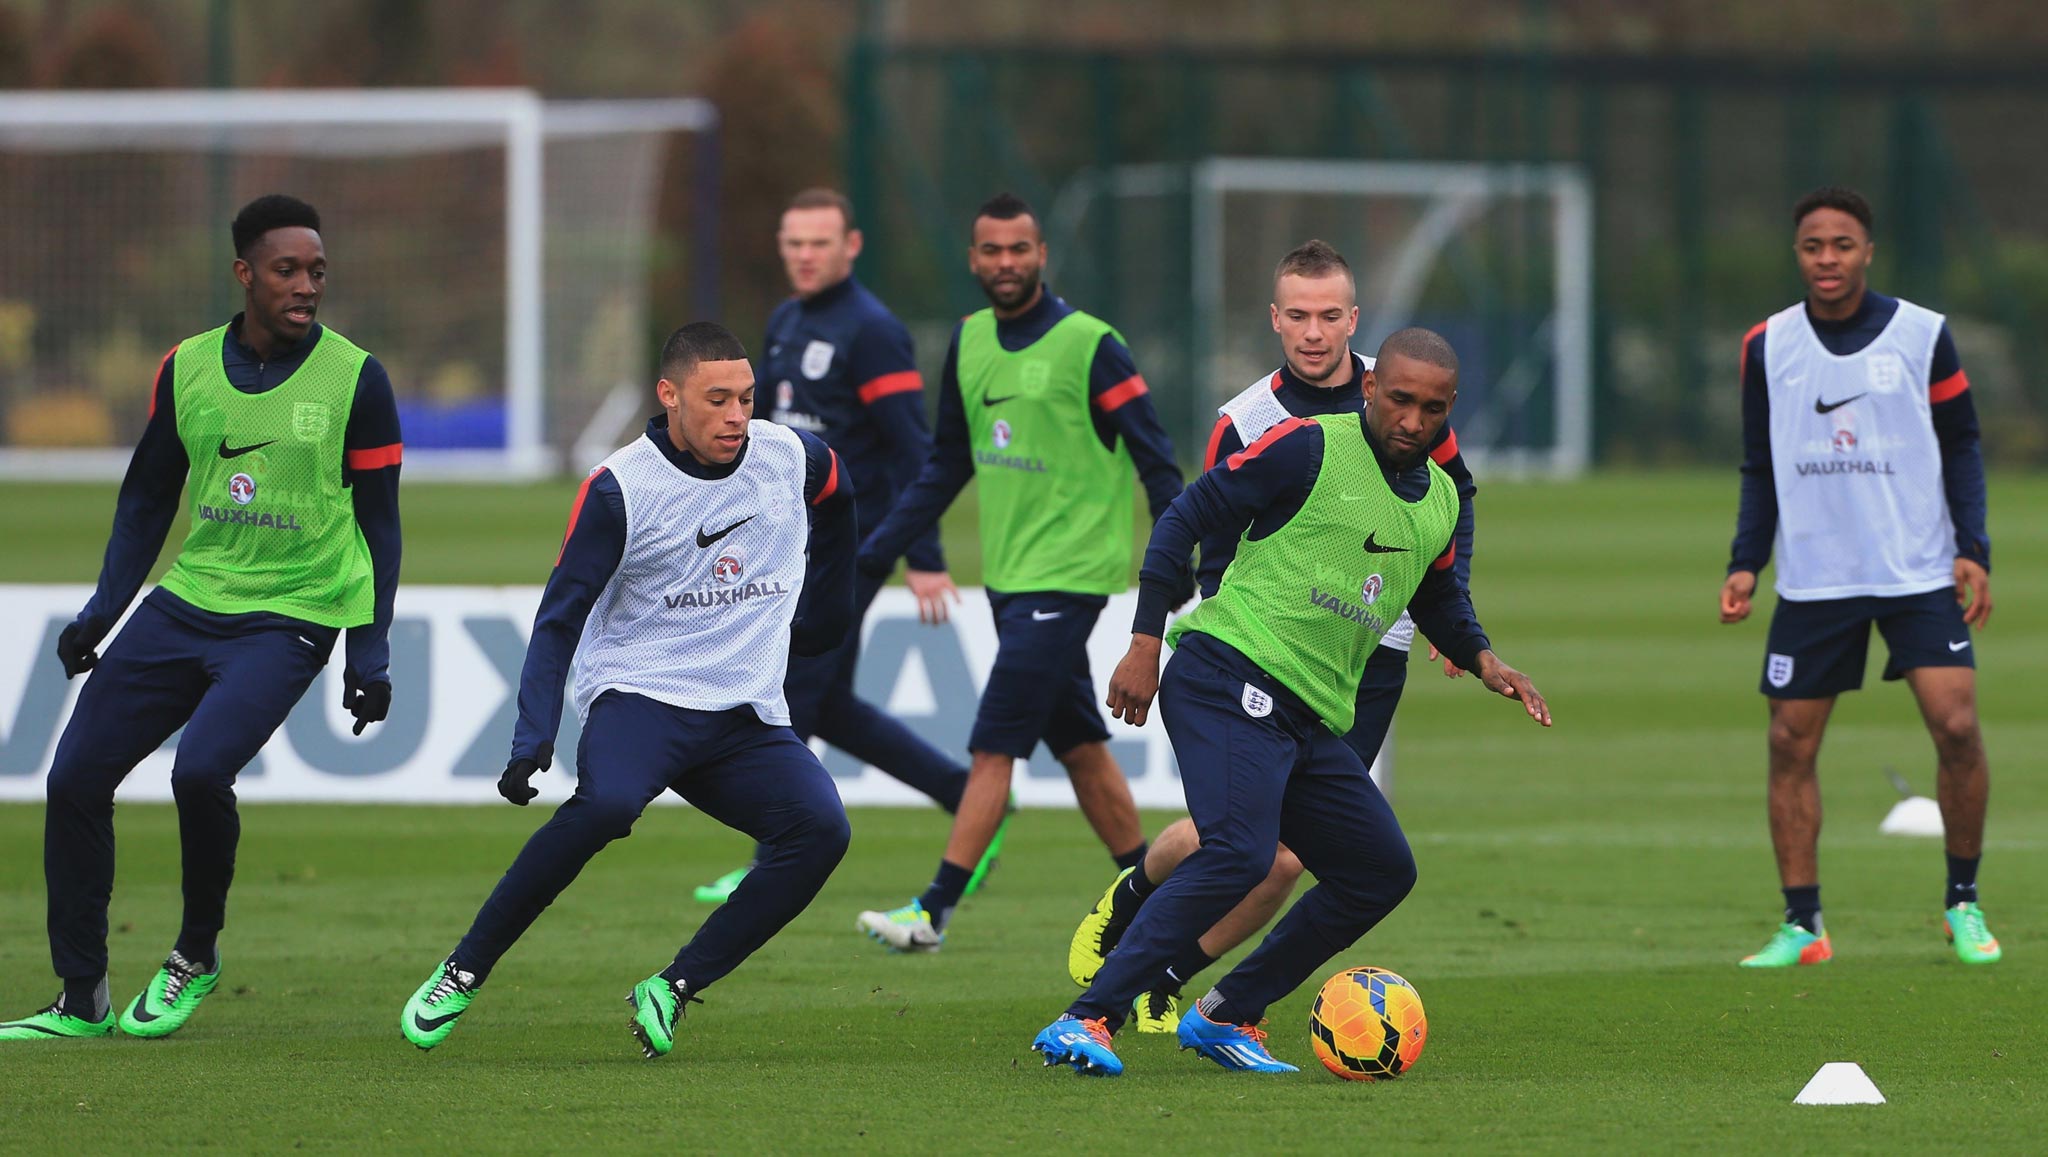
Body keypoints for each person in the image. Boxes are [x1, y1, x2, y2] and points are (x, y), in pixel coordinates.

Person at [1031, 327, 1551, 1077]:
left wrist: (1482, 656)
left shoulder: (1439, 499)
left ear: (1449, 410)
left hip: (1303, 717)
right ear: (1370, 388)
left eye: (1431, 408)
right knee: (1241, 851)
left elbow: (1437, 594)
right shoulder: (1305, 445)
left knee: (1379, 868)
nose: (1412, 419)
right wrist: (1145, 640)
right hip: (1223, 674)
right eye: (1399, 399)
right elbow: (1185, 516)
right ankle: (1087, 1017)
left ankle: (1226, 1011)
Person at [0, 194, 401, 1044]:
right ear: (244, 273)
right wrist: (103, 610)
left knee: (199, 771)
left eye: (317, 271)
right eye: (288, 269)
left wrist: (369, 649)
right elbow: (148, 497)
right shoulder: (185, 367)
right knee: (72, 779)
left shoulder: (357, 378)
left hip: (294, 610)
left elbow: (382, 521)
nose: (306, 286)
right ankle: (80, 997)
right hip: (189, 600)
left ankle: (194, 954)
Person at [399, 323, 858, 1059]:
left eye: (745, 397)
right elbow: (559, 617)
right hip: (641, 696)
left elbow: (840, 491)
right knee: (607, 804)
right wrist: (531, 735)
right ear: (670, 396)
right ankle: (463, 969)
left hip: (743, 714)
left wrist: (832, 609)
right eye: (717, 400)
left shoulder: (788, 455)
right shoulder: (621, 489)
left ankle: (673, 986)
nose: (737, 416)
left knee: (821, 829)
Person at [1065, 240, 1480, 1034]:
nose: (1315, 331)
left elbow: (1449, 503)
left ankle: (1183, 984)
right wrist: (1216, 643)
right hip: (1261, 659)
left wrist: (1456, 623)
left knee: (1297, 851)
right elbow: (1215, 540)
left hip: (1368, 657)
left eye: (1330, 316)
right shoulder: (1251, 421)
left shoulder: (1406, 395)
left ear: (1354, 322)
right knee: (1252, 843)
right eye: (1299, 315)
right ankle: (1134, 917)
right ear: (1275, 319)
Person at [852, 192, 1188, 952]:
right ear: (973, 260)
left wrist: (1179, 568)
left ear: (1043, 256)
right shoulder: (969, 342)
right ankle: (1150, 896)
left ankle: (932, 911)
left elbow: (1157, 461)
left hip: (1069, 578)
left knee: (993, 745)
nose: (1006, 263)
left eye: (1020, 249)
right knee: (1079, 747)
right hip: (1008, 580)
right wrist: (878, 551)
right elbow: (943, 466)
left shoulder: (1091, 344)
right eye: (992, 251)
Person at [1721, 186, 1999, 968]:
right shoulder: (1767, 345)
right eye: (1814, 246)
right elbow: (1758, 463)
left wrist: (1972, 544)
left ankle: (1964, 904)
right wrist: (1747, 561)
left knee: (1955, 725)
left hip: (1915, 567)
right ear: (1798, 253)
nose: (1828, 259)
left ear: (1867, 250)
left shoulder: (1922, 335)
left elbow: (1963, 442)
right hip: (1816, 576)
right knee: (1788, 742)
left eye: (1842, 244)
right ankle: (1802, 925)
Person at [690, 188, 980, 906]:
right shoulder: (787, 320)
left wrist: (925, 553)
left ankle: (770, 857)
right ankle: (970, 796)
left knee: (792, 691)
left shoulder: (873, 330)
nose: (805, 255)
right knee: (829, 701)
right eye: (793, 242)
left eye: (819, 242)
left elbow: (916, 448)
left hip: (852, 542)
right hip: (787, 543)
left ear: (850, 246)